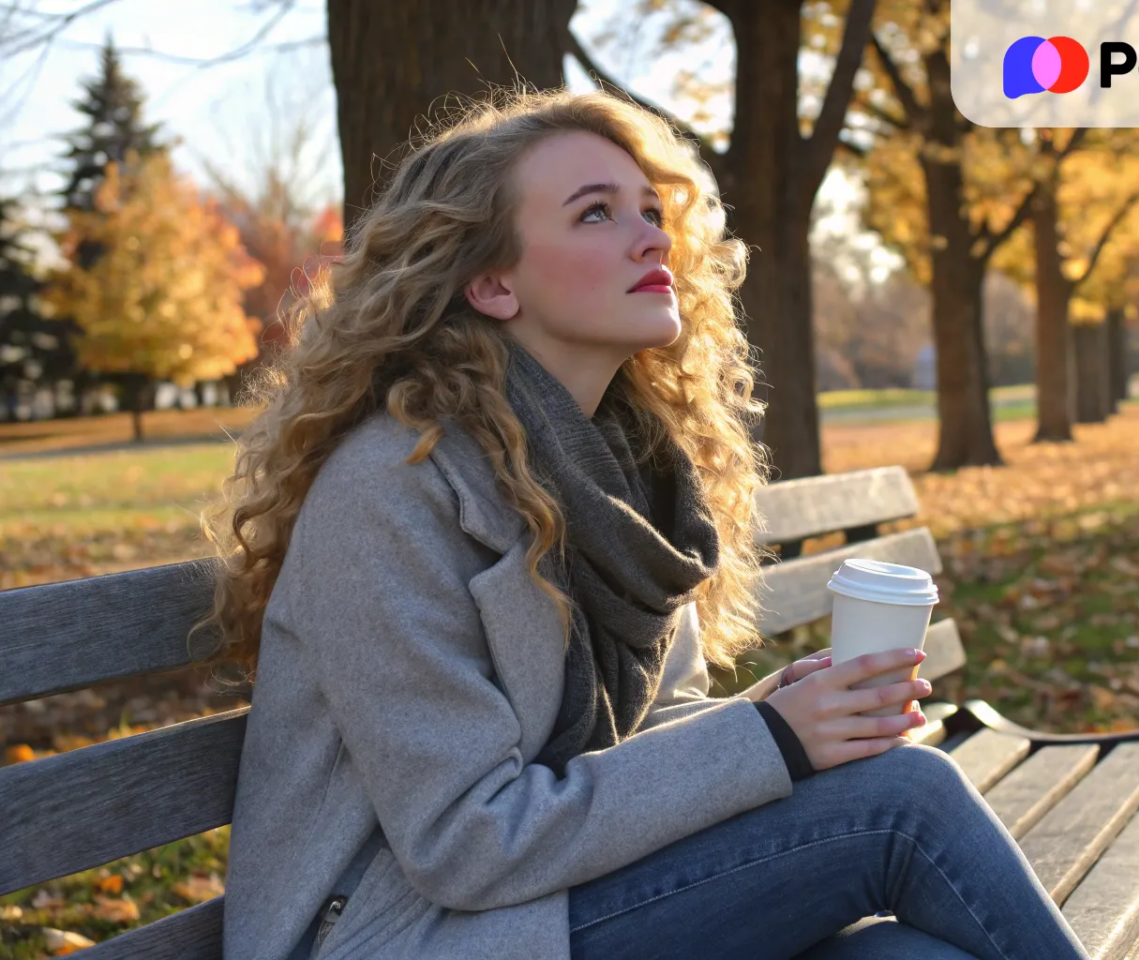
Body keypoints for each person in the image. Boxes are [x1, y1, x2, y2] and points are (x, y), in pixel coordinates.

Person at [198, 88, 1092, 960]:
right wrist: (773, 743)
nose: (652, 235)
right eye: (596, 214)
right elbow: (466, 839)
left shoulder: (627, 476)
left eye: (651, 210)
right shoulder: (390, 490)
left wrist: (771, 715)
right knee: (906, 802)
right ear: (492, 282)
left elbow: (649, 739)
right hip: (403, 932)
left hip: (550, 904)